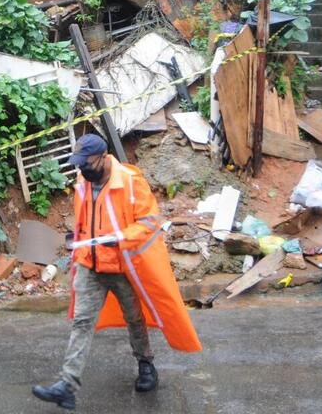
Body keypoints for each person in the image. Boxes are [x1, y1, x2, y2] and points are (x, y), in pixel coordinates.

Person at [32, 133, 202, 410]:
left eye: (85, 164)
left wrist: (121, 238)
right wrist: (77, 239)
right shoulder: (83, 181)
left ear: (102, 157)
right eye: (79, 165)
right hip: (91, 262)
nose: (81, 170)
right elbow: (86, 219)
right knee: (82, 322)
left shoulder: (131, 182)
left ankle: (146, 364)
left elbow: (150, 221)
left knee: (135, 318)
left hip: (122, 265)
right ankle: (67, 385)